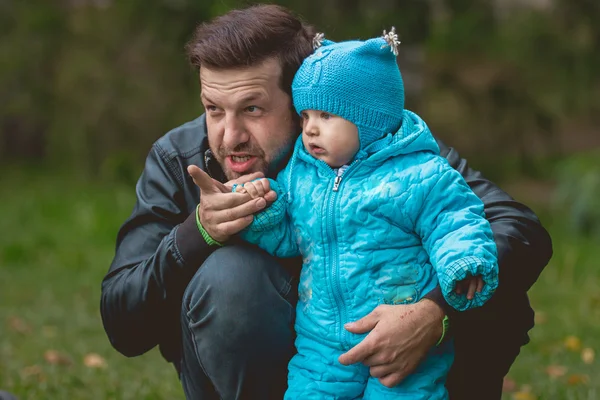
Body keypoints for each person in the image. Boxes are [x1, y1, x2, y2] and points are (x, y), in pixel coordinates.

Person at [100, 4, 553, 400]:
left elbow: (517, 227)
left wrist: (436, 312)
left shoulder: (379, 146)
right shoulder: (179, 158)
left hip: (398, 372)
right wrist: (196, 234)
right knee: (230, 277)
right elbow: (123, 324)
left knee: (480, 268)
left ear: (303, 100)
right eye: (213, 109)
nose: (229, 136)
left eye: (253, 109)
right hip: (290, 373)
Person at [229, 31, 499, 399]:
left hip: (399, 335)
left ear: (369, 119)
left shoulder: (419, 173)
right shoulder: (302, 173)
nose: (309, 128)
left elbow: (454, 220)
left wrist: (464, 261)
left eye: (326, 114)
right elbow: (289, 236)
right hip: (321, 343)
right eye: (305, 114)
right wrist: (261, 211)